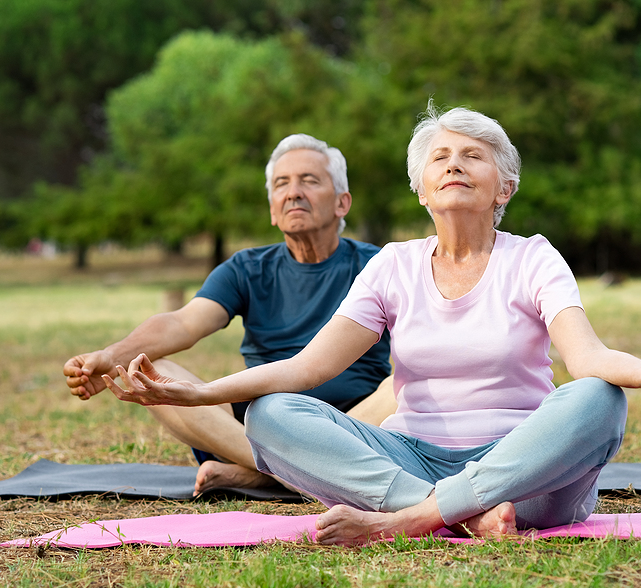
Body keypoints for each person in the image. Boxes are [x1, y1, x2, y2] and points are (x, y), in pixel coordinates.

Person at [101, 104, 641, 546]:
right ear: (421, 188)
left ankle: (407, 520)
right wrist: (202, 392)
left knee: (598, 400)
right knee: (272, 413)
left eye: (473, 156)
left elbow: (586, 359)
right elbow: (307, 369)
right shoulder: (394, 265)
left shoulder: (534, 256)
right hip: (412, 460)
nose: (454, 164)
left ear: (503, 184)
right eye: (440, 157)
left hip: (524, 470)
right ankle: (452, 514)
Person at [63, 134, 394, 496]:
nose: (293, 192)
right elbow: (183, 323)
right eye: (281, 184)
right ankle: (297, 473)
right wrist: (112, 356)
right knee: (146, 369)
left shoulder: (380, 265)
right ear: (272, 208)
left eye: (309, 181)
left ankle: (262, 475)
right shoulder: (246, 268)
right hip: (259, 425)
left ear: (342, 203)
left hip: (354, 421)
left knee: (402, 387)